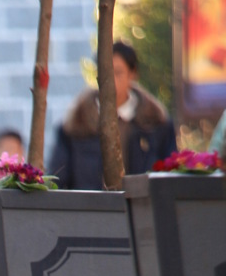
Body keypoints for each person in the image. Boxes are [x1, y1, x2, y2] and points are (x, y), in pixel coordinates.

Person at [49, 41, 176, 189]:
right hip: (90, 209)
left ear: (133, 73)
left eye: (118, 73)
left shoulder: (156, 125)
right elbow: (58, 181)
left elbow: (170, 179)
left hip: (142, 210)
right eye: (104, 72)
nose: (111, 80)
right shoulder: (75, 126)